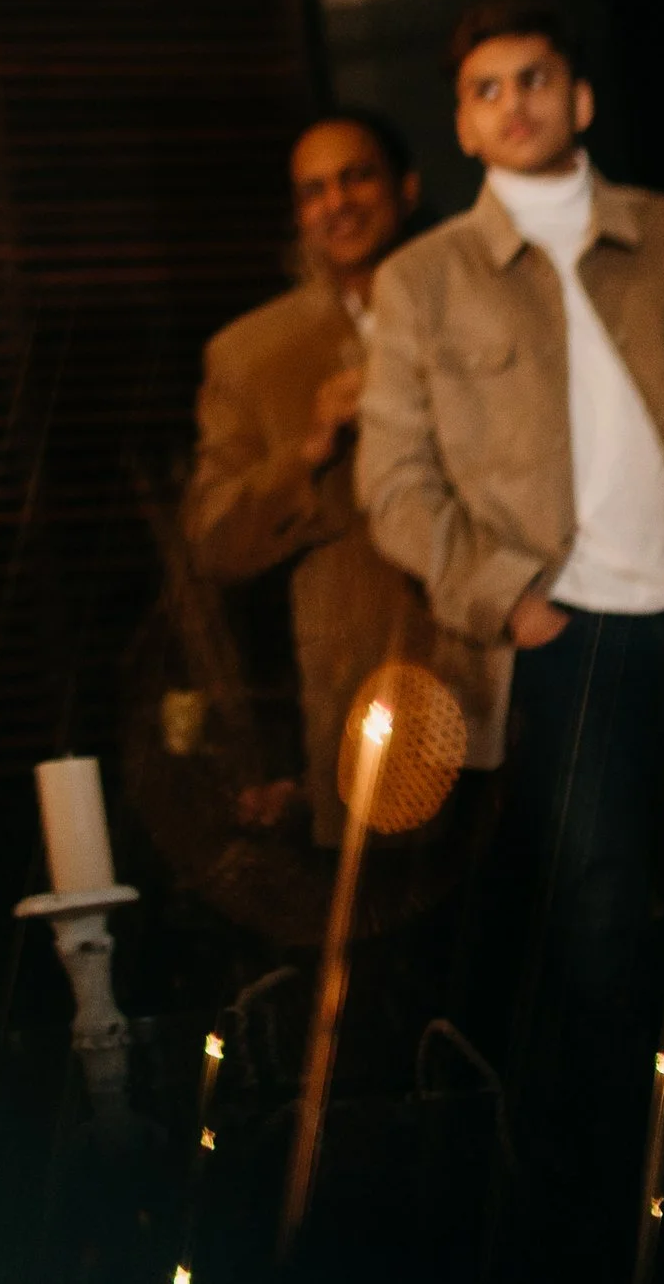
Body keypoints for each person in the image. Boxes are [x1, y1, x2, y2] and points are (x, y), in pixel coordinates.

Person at [358, 0, 664, 1267]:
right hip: (563, 648)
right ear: (460, 122)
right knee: (600, 937)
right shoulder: (423, 279)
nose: (515, 103)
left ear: (582, 97)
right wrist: (505, 598)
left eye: (537, 79)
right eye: (488, 89)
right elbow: (394, 483)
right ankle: (626, 1224)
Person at [183, 113, 496, 838]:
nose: (339, 202)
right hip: (366, 703)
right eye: (314, 190)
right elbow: (213, 543)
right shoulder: (251, 355)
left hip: (503, 663)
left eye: (356, 176)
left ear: (406, 187)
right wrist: (309, 447)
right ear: (299, 215)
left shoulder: (483, 306)